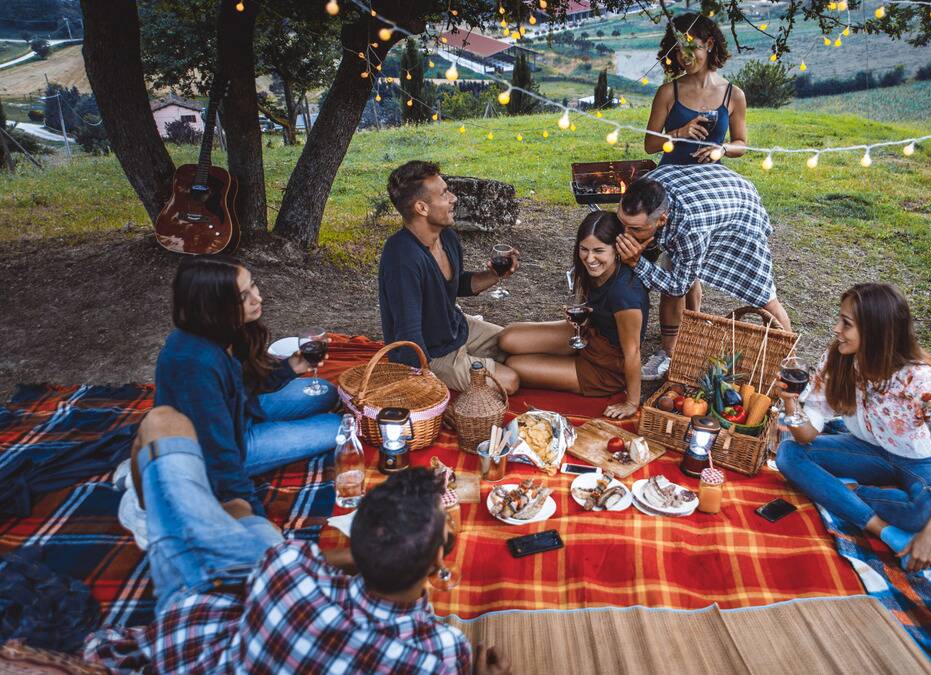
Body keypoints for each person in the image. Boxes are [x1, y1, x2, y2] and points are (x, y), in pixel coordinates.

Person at [86, 407, 510, 674]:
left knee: (225, 497)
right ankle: (172, 523)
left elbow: (292, 560)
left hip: (200, 618)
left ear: (355, 540)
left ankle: (166, 520)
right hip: (216, 597)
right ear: (439, 559)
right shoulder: (442, 655)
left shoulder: (288, 573)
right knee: (239, 515)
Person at [773, 283, 931, 572]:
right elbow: (808, 433)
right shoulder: (839, 359)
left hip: (918, 461)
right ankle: (884, 529)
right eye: (839, 319)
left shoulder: (920, 380)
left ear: (876, 331)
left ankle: (838, 490)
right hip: (866, 451)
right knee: (788, 454)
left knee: (924, 512)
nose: (835, 329)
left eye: (846, 323)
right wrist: (791, 404)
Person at [151, 257, 340, 519]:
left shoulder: (224, 330)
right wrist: (254, 518)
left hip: (243, 411)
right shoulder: (194, 365)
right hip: (233, 443)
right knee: (337, 427)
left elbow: (244, 383)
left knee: (327, 392)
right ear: (213, 306)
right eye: (243, 296)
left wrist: (292, 367)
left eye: (254, 286)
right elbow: (219, 452)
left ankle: (272, 424)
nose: (257, 298)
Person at [614, 165, 792, 380]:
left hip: (741, 207)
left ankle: (791, 367)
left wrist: (637, 263)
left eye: (635, 229)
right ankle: (671, 351)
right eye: (623, 223)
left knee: (763, 292)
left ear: (662, 219)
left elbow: (677, 286)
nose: (626, 234)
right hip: (707, 192)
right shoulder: (645, 189)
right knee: (676, 263)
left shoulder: (690, 228)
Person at [379, 160, 520, 394]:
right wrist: (421, 384)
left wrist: (494, 275)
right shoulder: (402, 259)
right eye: (445, 193)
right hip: (432, 353)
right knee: (510, 380)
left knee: (517, 344)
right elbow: (409, 334)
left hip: (455, 328)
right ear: (422, 208)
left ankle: (476, 359)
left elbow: (453, 285)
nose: (454, 198)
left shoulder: (447, 237)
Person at [498, 212, 648, 419]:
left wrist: (632, 402)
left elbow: (633, 351)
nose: (589, 258)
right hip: (587, 334)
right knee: (507, 338)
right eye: (584, 249)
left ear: (617, 250)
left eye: (599, 251)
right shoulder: (592, 271)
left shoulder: (624, 294)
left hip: (604, 368)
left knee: (513, 365)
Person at [643, 11, 747, 166]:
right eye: (678, 49)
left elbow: (741, 144)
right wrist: (680, 133)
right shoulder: (667, 92)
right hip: (672, 173)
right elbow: (650, 145)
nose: (684, 55)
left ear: (709, 44)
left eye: (690, 47)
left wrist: (722, 148)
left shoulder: (734, 95)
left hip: (713, 177)